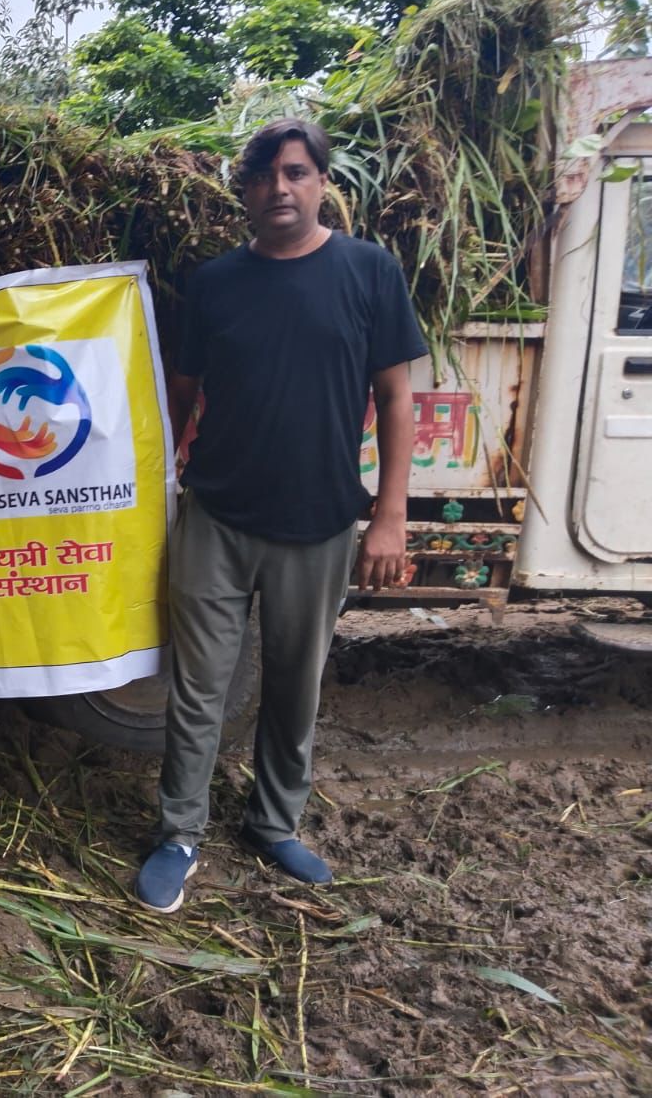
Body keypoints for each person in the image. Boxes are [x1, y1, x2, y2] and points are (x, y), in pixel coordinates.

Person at [134, 118, 426, 914]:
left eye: (295, 173)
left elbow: (398, 398)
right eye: (263, 177)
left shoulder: (368, 272)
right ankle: (180, 833)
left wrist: (389, 516)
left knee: (297, 684)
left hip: (320, 520)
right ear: (246, 193)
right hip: (218, 514)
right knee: (199, 687)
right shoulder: (216, 282)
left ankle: (274, 823)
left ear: (322, 181)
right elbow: (181, 395)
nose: (280, 189)